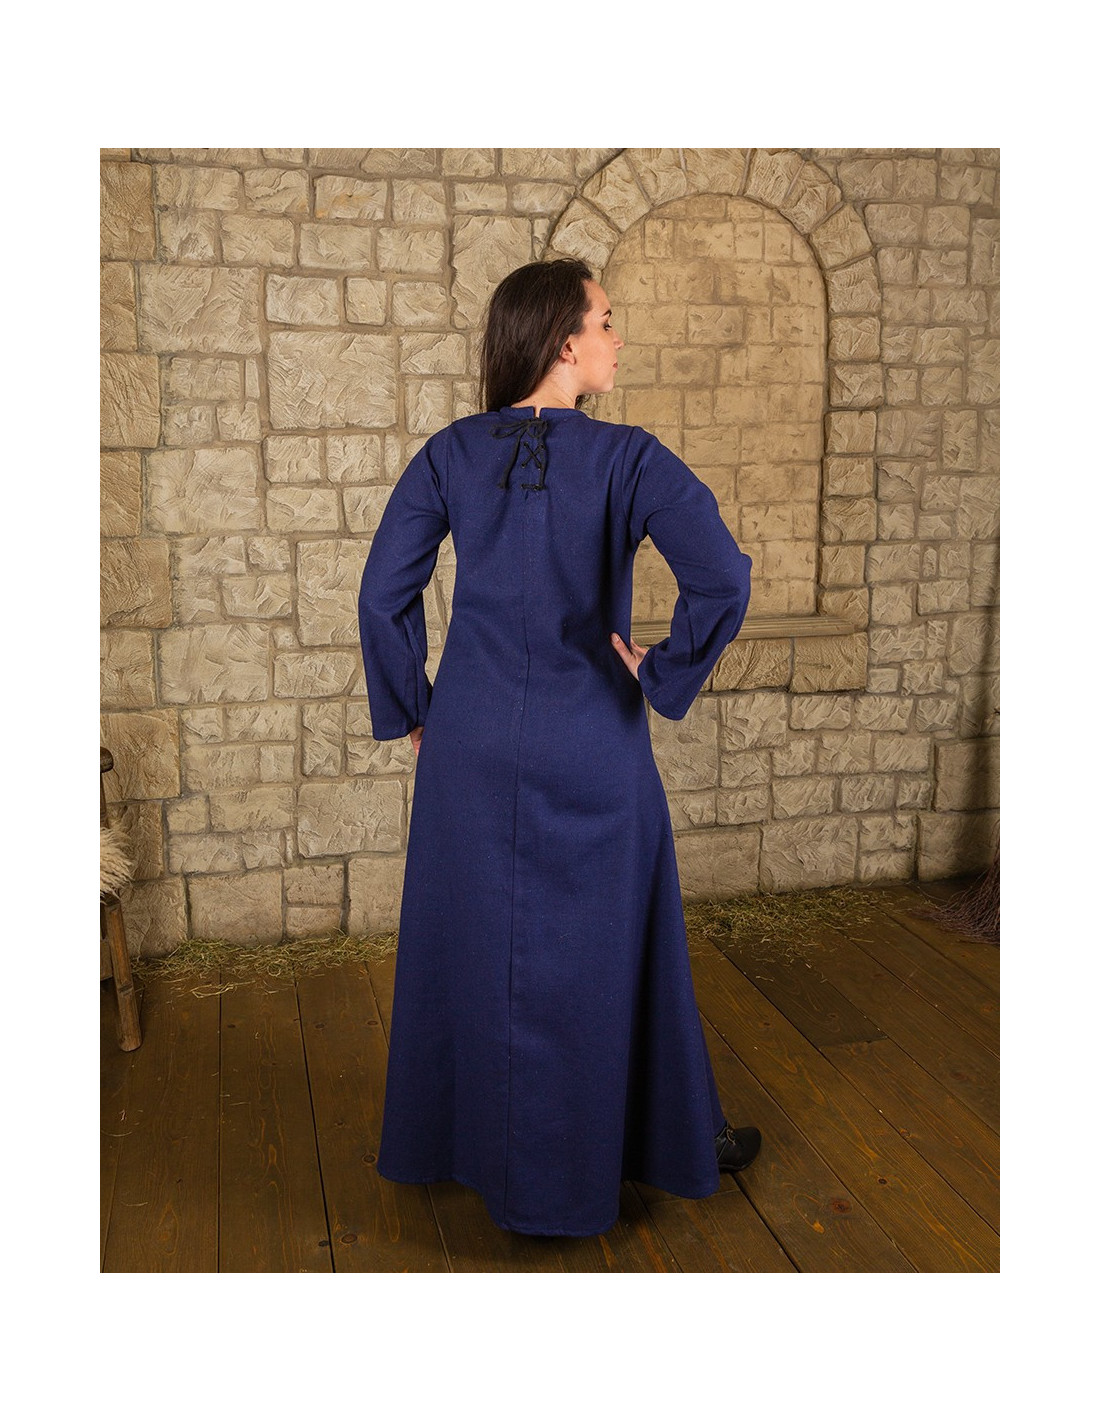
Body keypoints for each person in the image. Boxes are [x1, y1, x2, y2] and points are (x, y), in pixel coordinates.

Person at [358, 257, 761, 1239]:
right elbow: (723, 577)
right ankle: (657, 1141)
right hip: (592, 740)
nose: (618, 338)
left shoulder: (449, 454)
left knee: (473, 945)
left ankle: (469, 1149)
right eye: (606, 321)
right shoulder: (630, 459)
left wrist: (414, 708)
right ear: (563, 340)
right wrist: (663, 670)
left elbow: (381, 593)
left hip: (469, 743)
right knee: (611, 947)